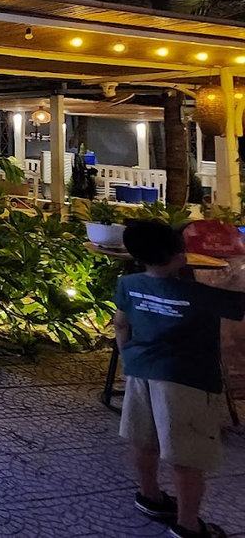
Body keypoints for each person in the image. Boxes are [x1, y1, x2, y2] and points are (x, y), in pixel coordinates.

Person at [114, 219, 245, 538]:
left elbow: (120, 324)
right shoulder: (200, 294)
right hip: (187, 380)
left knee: (142, 439)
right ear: (179, 254)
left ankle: (149, 496)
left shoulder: (128, 283)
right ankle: (188, 525)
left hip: (140, 370)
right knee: (187, 455)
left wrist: (129, 357)